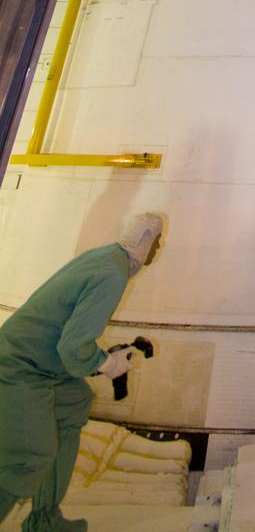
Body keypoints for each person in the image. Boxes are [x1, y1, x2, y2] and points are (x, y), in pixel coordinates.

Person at [0, 212, 164, 532]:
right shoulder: (112, 274)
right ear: (145, 242)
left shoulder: (105, 257)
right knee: (32, 454)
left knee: (74, 401)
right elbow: (74, 350)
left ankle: (44, 519)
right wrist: (106, 364)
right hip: (21, 364)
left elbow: (70, 333)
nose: (161, 246)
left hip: (44, 363)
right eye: (158, 240)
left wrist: (103, 356)